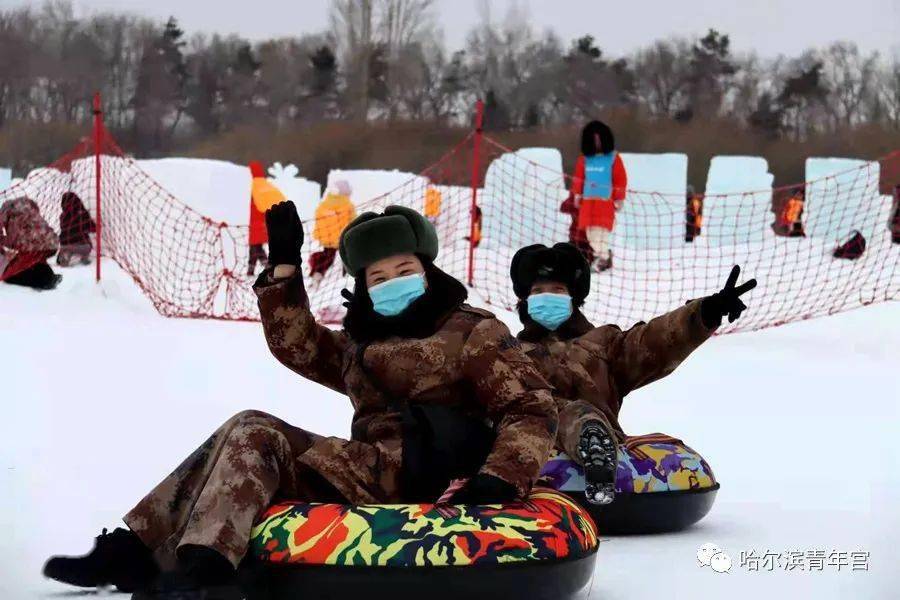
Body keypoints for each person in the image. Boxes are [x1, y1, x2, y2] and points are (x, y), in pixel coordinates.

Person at [43, 203, 557, 596]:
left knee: (258, 433)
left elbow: (530, 407)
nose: (391, 284)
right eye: (377, 277)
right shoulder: (364, 341)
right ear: (364, 286)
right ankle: (136, 548)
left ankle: (206, 570)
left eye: (402, 270)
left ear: (426, 269)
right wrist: (285, 269)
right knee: (248, 425)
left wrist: (498, 479)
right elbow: (300, 346)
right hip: (371, 469)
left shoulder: (473, 332)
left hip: (433, 471)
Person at [509, 243, 756, 505]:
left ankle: (595, 449)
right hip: (528, 445)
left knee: (578, 413)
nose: (547, 297)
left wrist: (706, 311)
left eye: (557, 290)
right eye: (538, 291)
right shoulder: (508, 353)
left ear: (573, 297)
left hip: (597, 442)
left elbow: (653, 342)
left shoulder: (602, 345)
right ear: (525, 300)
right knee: (543, 408)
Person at [571, 120, 627, 272]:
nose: (597, 143)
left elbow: (620, 179)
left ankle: (603, 258)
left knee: (600, 231)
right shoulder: (584, 159)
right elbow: (579, 178)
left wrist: (619, 198)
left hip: (605, 202)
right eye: (593, 139)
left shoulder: (614, 159)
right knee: (590, 232)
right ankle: (602, 255)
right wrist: (576, 194)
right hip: (588, 203)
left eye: (599, 139)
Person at [0, 196, 62, 290]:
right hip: (52, 244)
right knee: (35, 261)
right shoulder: (32, 213)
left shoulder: (11, 217)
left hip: (32, 248)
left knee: (8, 275)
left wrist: (2, 241)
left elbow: (15, 240)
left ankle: (44, 281)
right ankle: (48, 275)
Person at [309, 179, 355, 285]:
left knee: (328, 258)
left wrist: (320, 234)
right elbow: (353, 221)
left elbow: (318, 219)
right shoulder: (348, 205)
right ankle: (347, 275)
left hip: (327, 238)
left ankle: (318, 273)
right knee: (347, 255)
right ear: (345, 193)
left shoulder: (323, 204)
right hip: (344, 237)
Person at [246, 161, 287, 276]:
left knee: (256, 246)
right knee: (254, 246)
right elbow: (281, 198)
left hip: (255, 220)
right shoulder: (267, 184)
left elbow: (257, 204)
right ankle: (250, 271)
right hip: (267, 220)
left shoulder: (252, 185)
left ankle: (269, 268)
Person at [57, 191, 96, 266]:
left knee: (67, 247)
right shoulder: (83, 214)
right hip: (83, 246)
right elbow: (93, 229)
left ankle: (66, 253)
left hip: (65, 244)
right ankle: (84, 258)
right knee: (86, 245)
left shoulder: (63, 216)